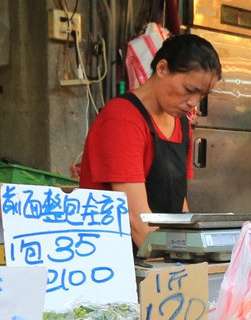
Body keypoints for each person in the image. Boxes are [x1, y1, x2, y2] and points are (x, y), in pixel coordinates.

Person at [79, 34, 221, 250]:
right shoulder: (122, 118)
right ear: (162, 69)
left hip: (162, 256)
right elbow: (136, 220)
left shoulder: (181, 124)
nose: (193, 103)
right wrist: (178, 268)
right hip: (118, 259)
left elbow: (179, 204)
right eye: (189, 90)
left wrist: (194, 249)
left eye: (202, 95)